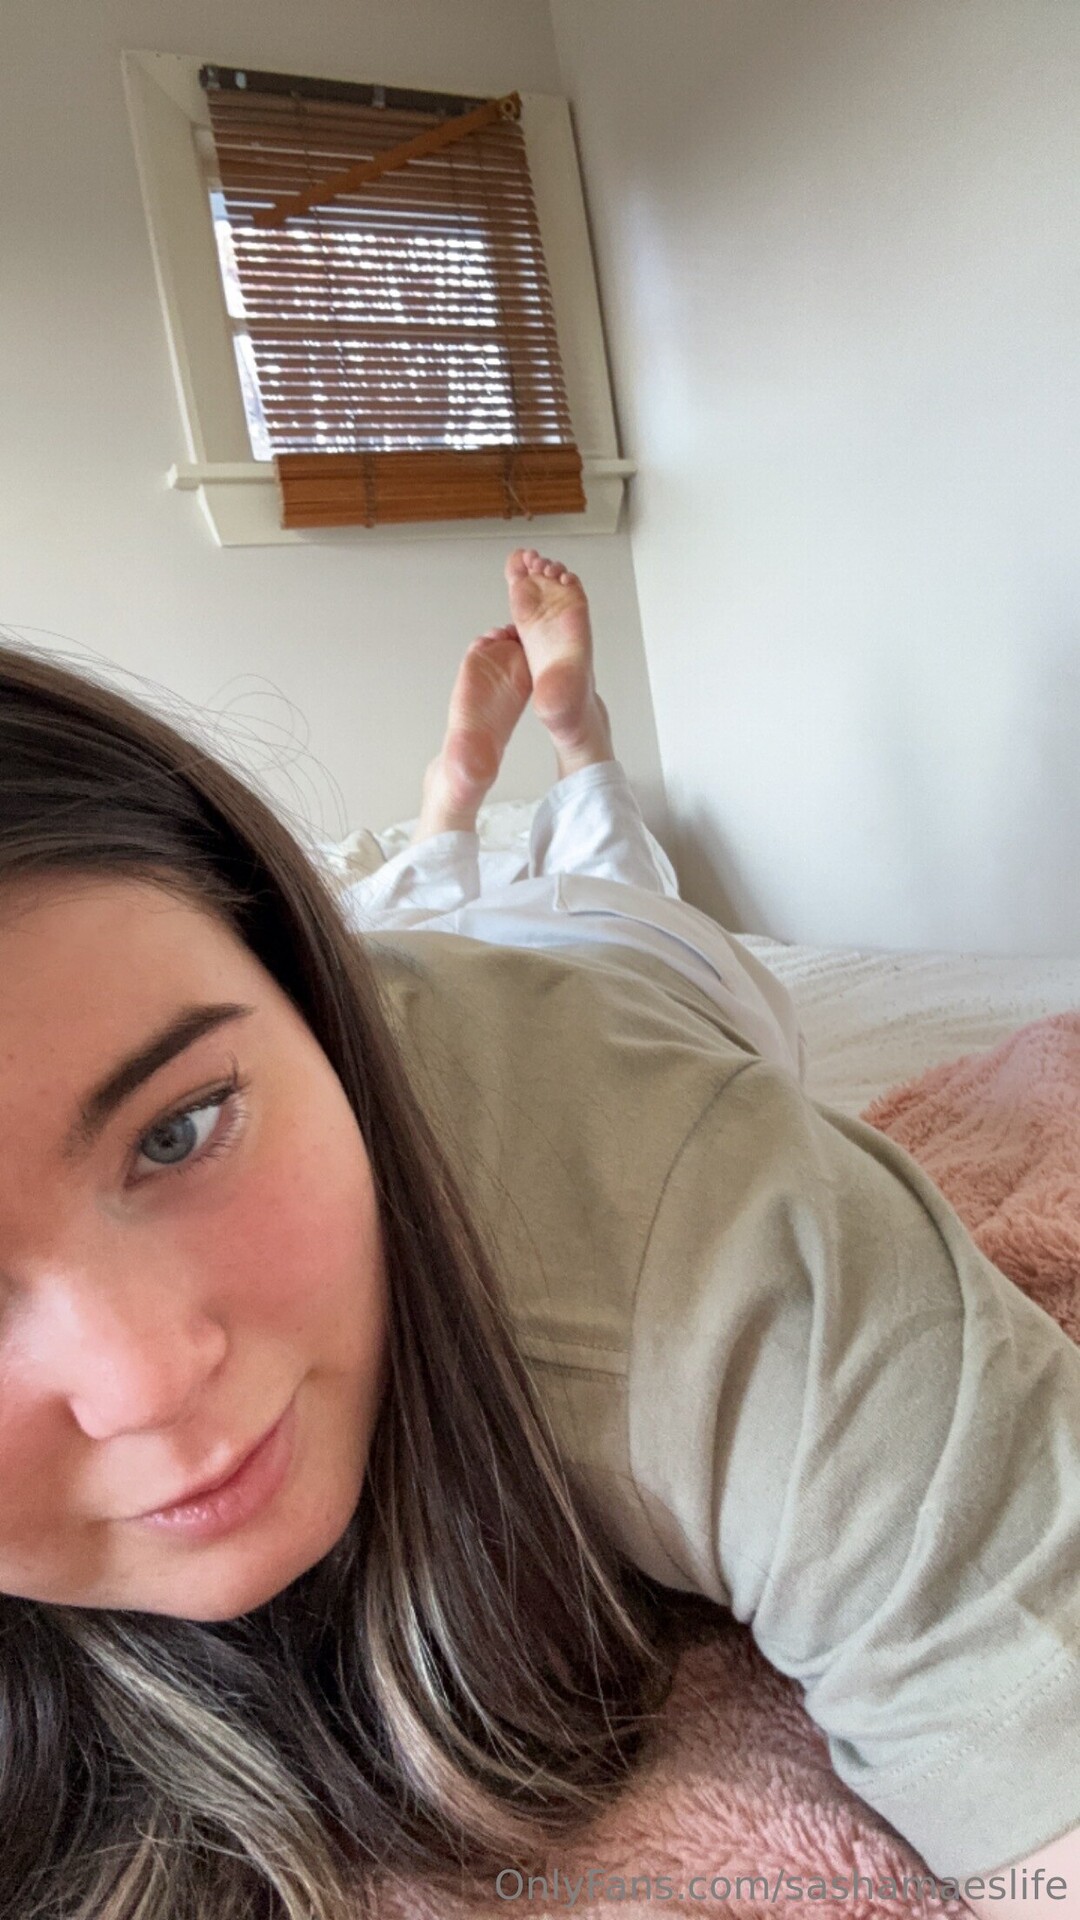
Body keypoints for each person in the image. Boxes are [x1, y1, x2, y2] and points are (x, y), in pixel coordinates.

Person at [0, 552, 1076, 1920]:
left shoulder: (678, 1199)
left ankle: (577, 750)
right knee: (409, 906)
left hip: (632, 974)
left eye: (179, 1127)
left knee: (622, 896)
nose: (153, 1382)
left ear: (309, 1004)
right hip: (380, 953)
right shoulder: (250, 1019)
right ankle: (450, 809)